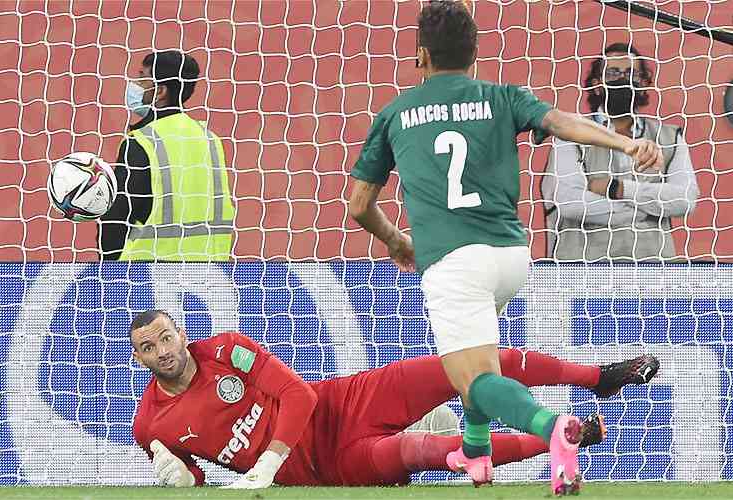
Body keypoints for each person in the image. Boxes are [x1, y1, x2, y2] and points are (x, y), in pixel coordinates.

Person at [346, 1, 664, 494]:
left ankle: (552, 428)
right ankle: (476, 452)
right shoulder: (501, 96)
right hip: (511, 256)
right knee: (481, 361)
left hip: (454, 262)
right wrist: (625, 145)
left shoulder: (396, 114)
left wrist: (394, 239)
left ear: (420, 57)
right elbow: (560, 121)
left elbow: (359, 204)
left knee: (472, 380)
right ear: (475, 54)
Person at [131, 309, 660, 490]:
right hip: (327, 468)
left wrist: (268, 460)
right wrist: (182, 478)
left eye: (167, 337)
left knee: (465, 363)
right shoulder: (151, 425)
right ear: (140, 360)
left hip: (341, 402)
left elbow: (296, 396)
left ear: (181, 332)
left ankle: (598, 377)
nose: (163, 351)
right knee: (434, 452)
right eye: (148, 348)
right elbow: (194, 479)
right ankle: (558, 439)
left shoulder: (224, 350)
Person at [542, 43, 699, 261]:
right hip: (582, 273)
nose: (623, 79)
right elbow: (570, 203)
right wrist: (646, 208)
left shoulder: (670, 136)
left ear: (643, 84)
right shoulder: (569, 133)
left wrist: (617, 188)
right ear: (597, 85)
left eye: (631, 74)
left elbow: (685, 200)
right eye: (613, 73)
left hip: (652, 271)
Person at [99, 50, 235, 261]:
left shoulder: (142, 142)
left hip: (148, 277)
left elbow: (116, 219)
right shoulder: (211, 140)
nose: (134, 85)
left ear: (160, 91)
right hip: (211, 273)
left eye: (142, 79)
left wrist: (108, 273)